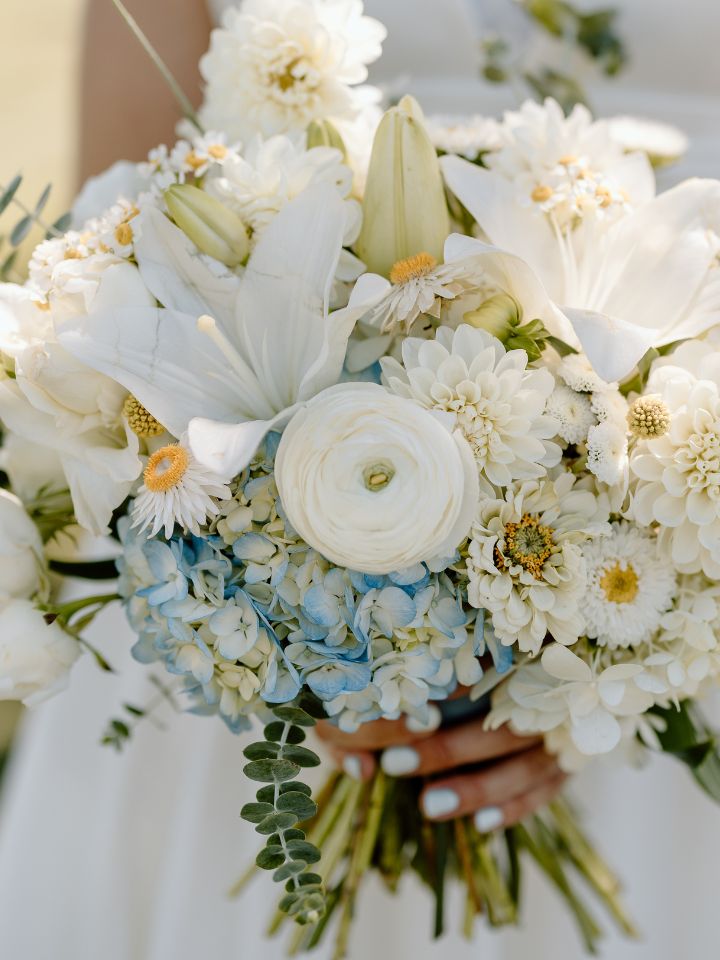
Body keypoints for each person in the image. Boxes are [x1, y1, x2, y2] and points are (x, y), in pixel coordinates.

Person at [1, 2, 720, 958]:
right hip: (229, 546)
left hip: (679, 507)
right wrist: (305, 667)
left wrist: (589, 670)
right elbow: (116, 246)